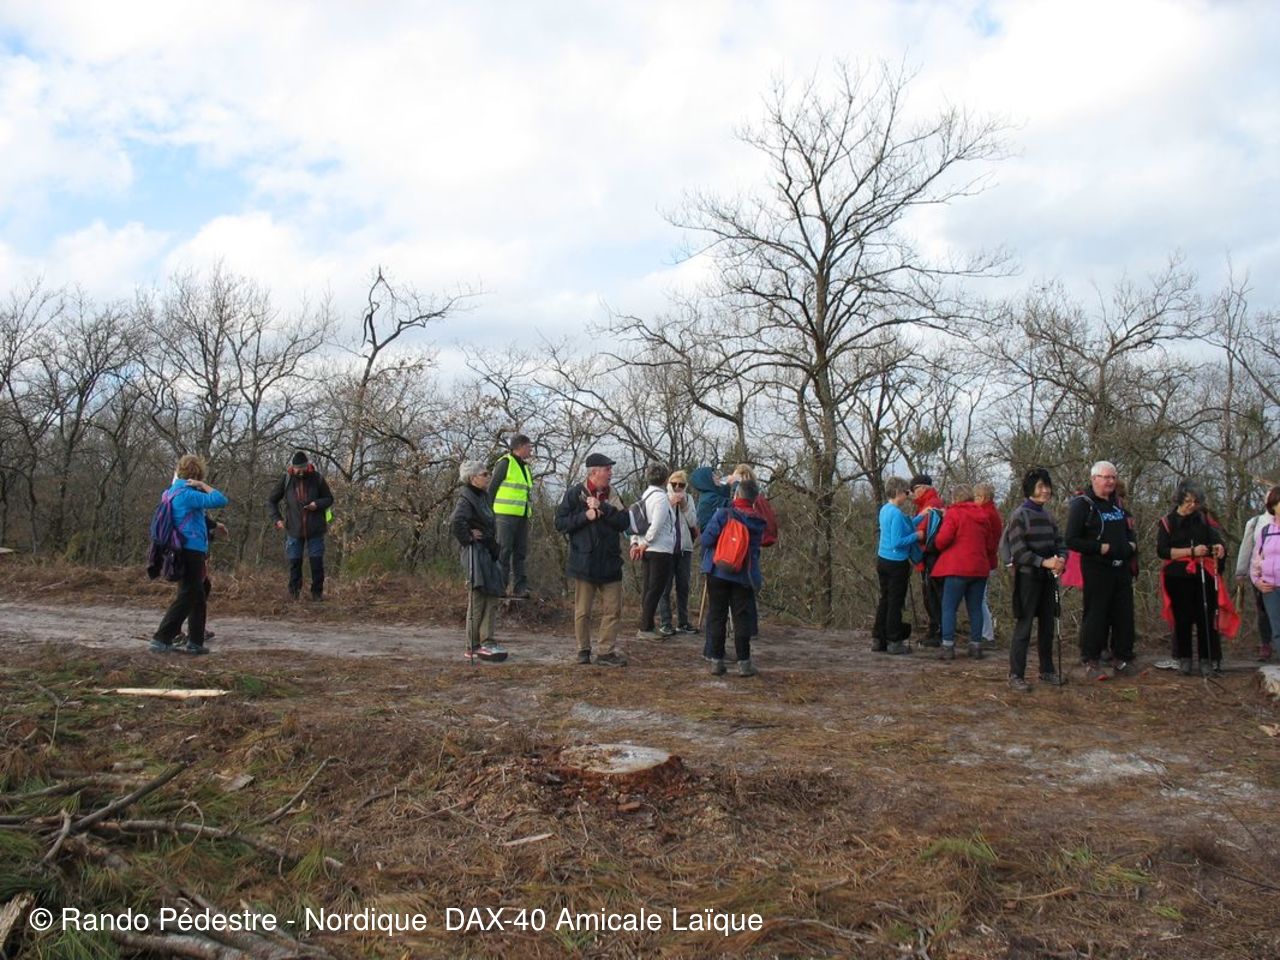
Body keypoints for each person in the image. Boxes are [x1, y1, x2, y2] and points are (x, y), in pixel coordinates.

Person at [554, 453, 631, 666]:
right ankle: (583, 650)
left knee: (613, 610)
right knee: (582, 611)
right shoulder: (574, 494)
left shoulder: (613, 494)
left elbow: (624, 522)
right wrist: (584, 517)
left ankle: (605, 652)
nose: (611, 473)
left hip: (610, 562)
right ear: (594, 472)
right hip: (584, 561)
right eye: (607, 469)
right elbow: (560, 523)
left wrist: (603, 508)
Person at [1064, 461, 1137, 680]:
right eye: (1106, 477)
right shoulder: (1083, 505)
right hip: (1097, 568)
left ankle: (1121, 658)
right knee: (1096, 614)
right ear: (1094, 479)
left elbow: (1128, 529)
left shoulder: (1117, 505)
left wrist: (1131, 544)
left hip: (1121, 568)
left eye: (1113, 477)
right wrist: (1100, 548)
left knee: (1124, 615)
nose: (1110, 482)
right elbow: (1071, 539)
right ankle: (1091, 660)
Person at [151, 455, 229, 655]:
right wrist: (202, 485)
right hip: (190, 549)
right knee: (189, 593)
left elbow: (195, 516)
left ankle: (195, 641)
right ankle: (162, 637)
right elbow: (220, 499)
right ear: (196, 475)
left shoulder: (169, 492)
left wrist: (214, 526)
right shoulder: (188, 494)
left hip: (179, 548)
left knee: (198, 592)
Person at [1158, 480, 1230, 677]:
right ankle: (1185, 658)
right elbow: (1162, 551)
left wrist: (1219, 548)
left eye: (1195, 502)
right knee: (1182, 618)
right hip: (1177, 576)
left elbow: (1216, 541)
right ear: (1180, 500)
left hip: (1203, 575)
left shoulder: (1203, 520)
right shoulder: (1167, 522)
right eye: (1188, 501)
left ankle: (1207, 659)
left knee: (1205, 616)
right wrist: (1190, 551)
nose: (1192, 505)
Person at [1004, 468, 1067, 692]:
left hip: (1048, 579)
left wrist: (1061, 559)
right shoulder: (1019, 516)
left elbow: (1060, 542)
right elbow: (1019, 552)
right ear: (1030, 489)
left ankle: (1047, 670)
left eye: (1047, 486)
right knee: (1024, 627)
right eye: (1040, 486)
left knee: (1048, 626)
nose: (1045, 491)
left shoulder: (1048, 516)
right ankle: (1016, 675)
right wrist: (1044, 562)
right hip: (1028, 579)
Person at [700, 478, 767, 676]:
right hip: (744, 574)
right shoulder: (758, 521)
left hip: (718, 571)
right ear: (754, 499)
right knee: (741, 618)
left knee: (716, 615)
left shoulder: (723, 514)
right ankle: (744, 663)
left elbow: (706, 540)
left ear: (736, 495)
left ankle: (716, 661)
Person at [931, 484, 999, 660]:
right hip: (979, 568)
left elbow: (942, 540)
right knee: (975, 608)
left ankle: (948, 646)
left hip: (957, 567)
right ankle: (976, 645)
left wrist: (937, 541)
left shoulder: (954, 513)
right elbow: (990, 545)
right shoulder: (983, 515)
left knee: (949, 607)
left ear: (955, 498)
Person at [451, 461, 507, 662]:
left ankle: (487, 641)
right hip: (475, 553)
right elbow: (457, 521)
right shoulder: (466, 498)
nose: (488, 476)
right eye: (484, 474)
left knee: (492, 595)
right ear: (472, 478)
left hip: (487, 551)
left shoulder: (482, 496)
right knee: (478, 597)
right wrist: (468, 537)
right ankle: (472, 645)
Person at [267, 450, 334, 601]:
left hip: (315, 528)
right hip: (293, 529)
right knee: (295, 564)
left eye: (303, 468)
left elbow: (329, 499)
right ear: (293, 467)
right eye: (298, 468)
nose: (301, 471)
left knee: (316, 564)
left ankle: (317, 594)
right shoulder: (286, 480)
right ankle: (294, 595)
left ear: (307, 466)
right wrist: (277, 519)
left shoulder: (317, 478)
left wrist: (316, 504)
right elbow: (271, 501)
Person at [873, 477, 925, 655]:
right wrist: (917, 536)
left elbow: (906, 524)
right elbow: (897, 541)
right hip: (896, 563)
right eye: (905, 493)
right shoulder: (895, 513)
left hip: (883, 560)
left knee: (885, 600)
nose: (907, 495)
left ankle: (878, 638)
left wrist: (922, 516)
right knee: (895, 602)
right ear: (898, 493)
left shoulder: (885, 509)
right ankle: (894, 640)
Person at [631, 461, 677, 640]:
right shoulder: (661, 499)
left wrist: (637, 543)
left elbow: (637, 522)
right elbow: (657, 524)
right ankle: (645, 628)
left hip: (648, 549)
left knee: (648, 588)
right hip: (659, 549)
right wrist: (646, 543)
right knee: (655, 589)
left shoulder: (645, 496)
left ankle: (647, 624)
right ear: (665, 479)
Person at [488, 433, 535, 598]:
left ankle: (520, 588)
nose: (531, 450)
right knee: (503, 552)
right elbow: (492, 489)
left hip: (522, 515)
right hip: (504, 515)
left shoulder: (525, 467)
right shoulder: (505, 463)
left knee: (520, 553)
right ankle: (500, 587)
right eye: (529, 446)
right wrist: (489, 513)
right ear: (520, 447)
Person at [657, 469, 699, 635]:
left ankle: (683, 621)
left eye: (681, 485)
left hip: (684, 549)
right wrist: (670, 503)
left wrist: (684, 506)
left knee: (683, 587)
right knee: (665, 588)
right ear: (669, 484)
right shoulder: (662, 498)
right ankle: (666, 622)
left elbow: (693, 521)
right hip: (666, 550)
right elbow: (658, 520)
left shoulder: (688, 499)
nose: (677, 487)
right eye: (674, 484)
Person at [1235, 494, 1275, 662]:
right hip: (1261, 575)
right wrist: (1241, 571)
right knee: (1263, 611)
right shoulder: (1256, 522)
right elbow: (1247, 547)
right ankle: (1266, 644)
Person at [911, 474, 946, 646]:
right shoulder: (927, 504)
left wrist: (905, 537)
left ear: (923, 488)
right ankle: (935, 628)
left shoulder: (931, 504)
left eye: (915, 489)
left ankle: (937, 630)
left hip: (932, 556)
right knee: (930, 594)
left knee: (933, 594)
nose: (913, 493)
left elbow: (923, 532)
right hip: (929, 555)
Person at [973, 482, 1002, 648]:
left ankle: (987, 635)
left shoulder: (986, 514)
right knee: (980, 599)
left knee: (979, 599)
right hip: (988, 560)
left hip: (985, 560)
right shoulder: (991, 512)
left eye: (977, 497)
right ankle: (985, 633)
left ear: (983, 497)